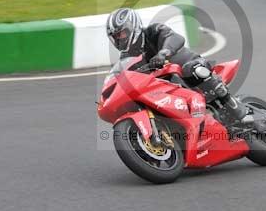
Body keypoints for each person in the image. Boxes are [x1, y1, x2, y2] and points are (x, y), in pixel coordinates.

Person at [106, 7, 251, 125]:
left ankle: (237, 109)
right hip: (164, 85)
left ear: (133, 26)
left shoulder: (153, 31)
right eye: (116, 37)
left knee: (193, 70)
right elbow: (125, 77)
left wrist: (163, 53)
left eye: (122, 34)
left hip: (186, 67)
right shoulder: (126, 58)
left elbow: (175, 38)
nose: (120, 39)